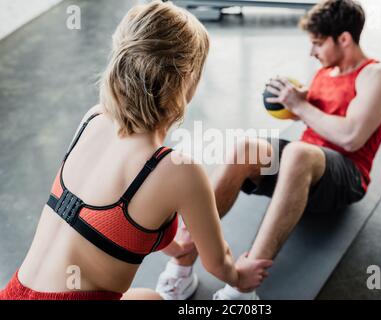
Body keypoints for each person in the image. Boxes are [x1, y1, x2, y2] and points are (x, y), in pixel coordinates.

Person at [0, 0, 272, 300]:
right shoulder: (178, 170)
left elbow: (110, 222)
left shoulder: (92, 119)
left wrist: (177, 248)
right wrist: (240, 277)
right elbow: (217, 262)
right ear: (187, 80)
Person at [155, 0, 381, 300]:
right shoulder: (327, 71)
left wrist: (301, 105)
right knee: (246, 149)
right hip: (304, 169)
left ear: (344, 39)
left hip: (346, 178)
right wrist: (291, 103)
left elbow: (351, 137)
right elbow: (316, 114)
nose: (312, 52)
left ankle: (244, 288)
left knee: (297, 153)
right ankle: (182, 265)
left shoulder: (376, 77)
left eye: (318, 44)